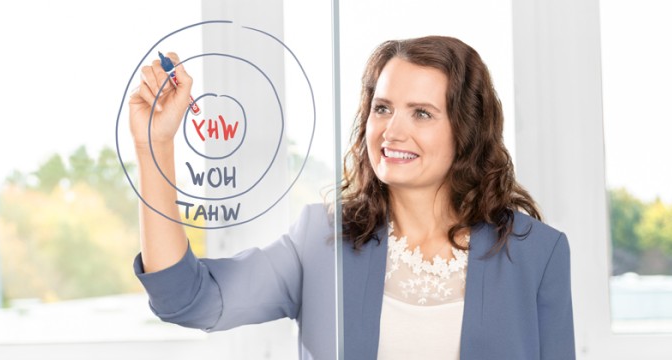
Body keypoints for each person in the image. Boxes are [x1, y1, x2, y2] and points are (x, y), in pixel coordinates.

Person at [127, 36, 574, 360]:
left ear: (467, 129)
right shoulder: (320, 239)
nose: (392, 130)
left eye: (421, 113)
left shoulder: (538, 253)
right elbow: (186, 298)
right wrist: (154, 148)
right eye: (383, 108)